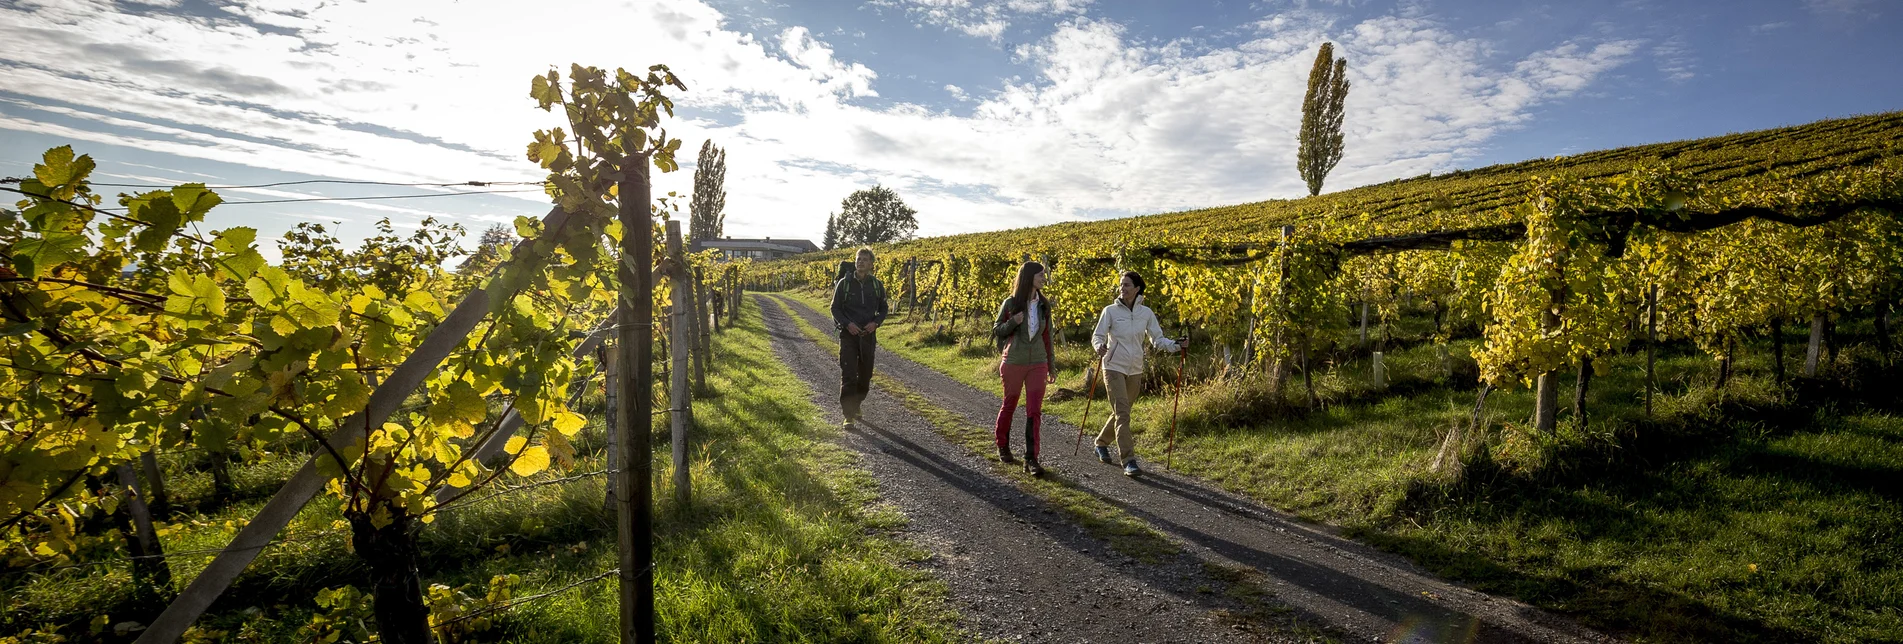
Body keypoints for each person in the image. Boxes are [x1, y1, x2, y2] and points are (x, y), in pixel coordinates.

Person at [1090, 270, 1184, 477]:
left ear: (1137, 288)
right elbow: (1097, 336)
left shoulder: (1146, 313)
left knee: (1120, 411)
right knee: (1123, 413)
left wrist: (1176, 346)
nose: (1122, 289)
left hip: (1135, 368)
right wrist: (1099, 346)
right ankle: (1129, 460)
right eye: (1121, 285)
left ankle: (1101, 443)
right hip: (1113, 366)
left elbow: (1157, 339)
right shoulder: (1110, 311)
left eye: (1126, 285)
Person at [991, 261, 1058, 476]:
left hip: (1038, 362)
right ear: (1029, 277)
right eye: (1040, 275)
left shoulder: (1044, 305)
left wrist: (1051, 366)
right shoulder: (1010, 303)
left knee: (1034, 411)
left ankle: (1031, 459)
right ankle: (1003, 446)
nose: (1043, 279)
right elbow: (996, 330)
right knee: (1009, 404)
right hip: (1013, 361)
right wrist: (1013, 322)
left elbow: (1048, 338)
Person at [830, 247, 887, 428]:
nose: (860, 262)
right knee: (849, 375)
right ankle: (848, 416)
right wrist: (848, 324)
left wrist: (875, 323)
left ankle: (857, 404)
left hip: (868, 337)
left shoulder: (877, 285)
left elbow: (883, 308)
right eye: (858, 258)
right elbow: (835, 308)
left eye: (864, 259)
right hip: (848, 336)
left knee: (865, 376)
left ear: (871, 264)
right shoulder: (844, 284)